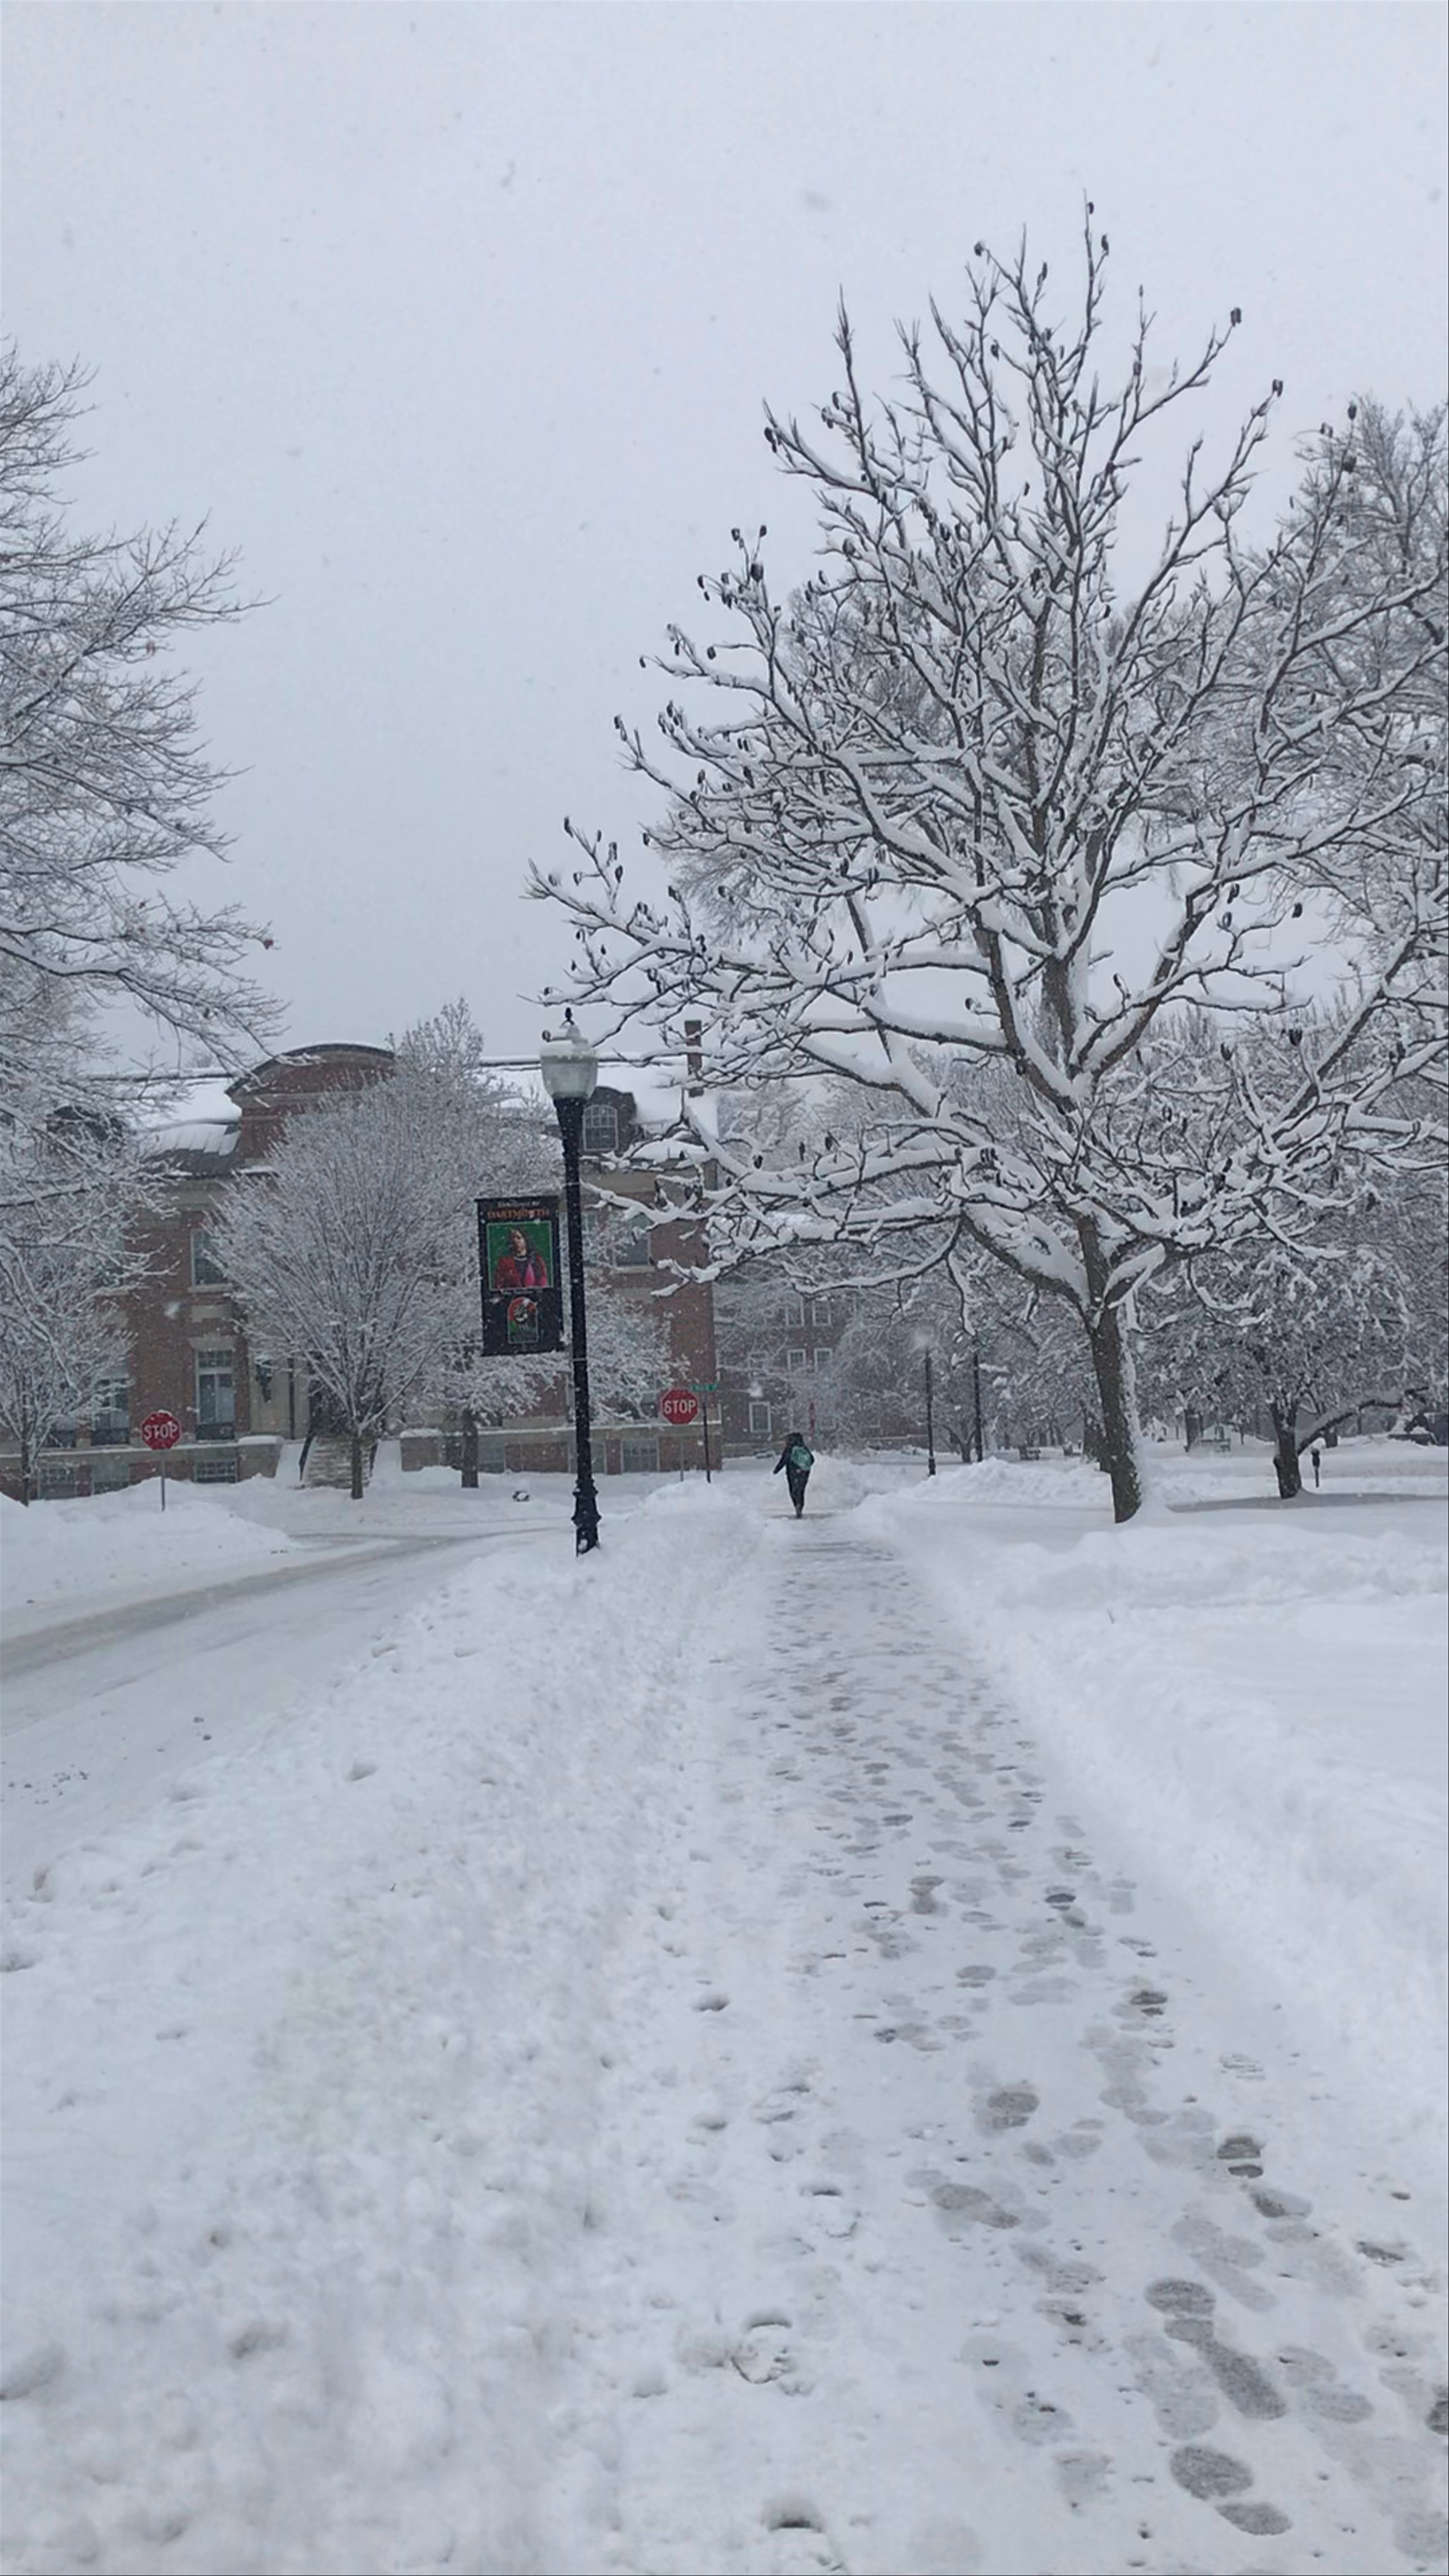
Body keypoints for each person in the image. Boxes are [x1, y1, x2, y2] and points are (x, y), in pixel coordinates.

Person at [492, 1226, 549, 1294]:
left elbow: (543, 1285)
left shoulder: (537, 1261)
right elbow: (498, 1287)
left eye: (519, 1238)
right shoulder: (504, 1263)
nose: (516, 1241)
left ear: (526, 1240)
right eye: (512, 1239)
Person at [773, 1428, 815, 1517]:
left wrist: (777, 1470)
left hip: (792, 1473)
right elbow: (812, 1460)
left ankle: (797, 1506)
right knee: (801, 1490)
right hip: (805, 1472)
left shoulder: (790, 1448)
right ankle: (800, 1507)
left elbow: (784, 1460)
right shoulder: (804, 1448)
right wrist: (804, 1467)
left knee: (794, 1490)